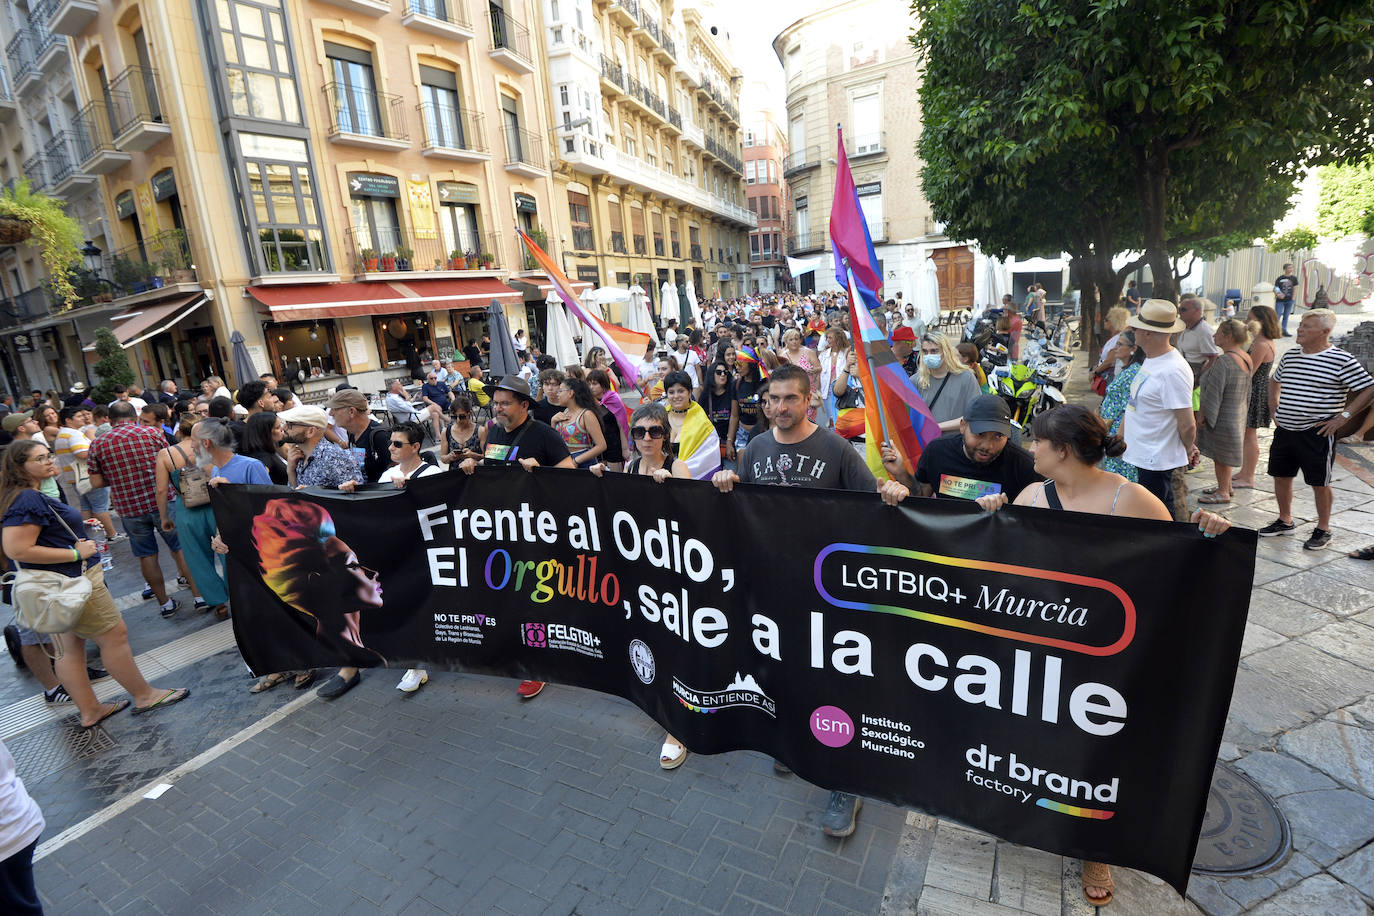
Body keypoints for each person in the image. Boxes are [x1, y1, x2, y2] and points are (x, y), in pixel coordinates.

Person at [972, 403, 1231, 908]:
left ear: (1062, 450)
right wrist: (992, 520)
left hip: (1108, 655)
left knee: (1097, 751)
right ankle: (1035, 813)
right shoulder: (1032, 495)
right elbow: (1009, 561)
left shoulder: (1130, 499)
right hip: (1044, 646)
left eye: (1037, 443)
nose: (1030, 450)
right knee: (1040, 738)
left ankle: (1096, 848)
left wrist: (1211, 532)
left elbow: (1178, 558)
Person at [713, 364, 908, 838]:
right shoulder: (755, 448)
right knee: (788, 672)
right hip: (777, 587)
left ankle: (846, 781)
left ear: (810, 401)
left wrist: (896, 488)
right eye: (772, 400)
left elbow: (876, 499)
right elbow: (746, 504)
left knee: (837, 683)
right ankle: (797, 745)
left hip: (831, 594)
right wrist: (727, 483)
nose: (779, 408)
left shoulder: (836, 448)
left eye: (789, 399)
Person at [1, 439, 190, 729]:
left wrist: (80, 531)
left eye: (48, 454)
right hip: (71, 580)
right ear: (19, 467)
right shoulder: (27, 498)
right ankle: (144, 695)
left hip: (56, 585)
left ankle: (90, 710)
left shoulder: (24, 495)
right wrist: (77, 552)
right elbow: (16, 549)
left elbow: (40, 536)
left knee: (69, 648)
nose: (49, 460)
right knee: (114, 636)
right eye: (40, 458)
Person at [458, 378, 575, 700]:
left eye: (505, 403)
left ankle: (540, 667)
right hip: (501, 531)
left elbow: (573, 479)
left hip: (538, 532)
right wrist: (475, 463)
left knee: (536, 599)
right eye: (495, 403)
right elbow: (495, 465)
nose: (497, 409)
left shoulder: (545, 435)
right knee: (509, 595)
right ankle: (518, 651)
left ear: (525, 405)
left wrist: (543, 473)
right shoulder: (494, 431)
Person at [1260, 309, 1374, 549]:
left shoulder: (1341, 360)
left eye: (1307, 326)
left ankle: (1323, 528)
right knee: (1281, 476)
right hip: (1286, 430)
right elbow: (1274, 380)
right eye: (1301, 324)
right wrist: (1274, 408)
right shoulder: (1291, 355)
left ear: (1325, 332)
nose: (1300, 329)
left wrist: (1343, 417)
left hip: (1317, 433)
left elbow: (1369, 388)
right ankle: (1284, 520)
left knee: (1319, 482)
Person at [276, 404, 368, 697]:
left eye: (292, 426)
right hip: (315, 545)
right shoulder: (302, 457)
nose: (286, 430)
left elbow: (354, 499)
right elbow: (296, 498)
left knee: (340, 606)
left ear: (312, 430)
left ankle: (350, 666)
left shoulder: (334, 457)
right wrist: (291, 471)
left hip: (336, 545)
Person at [87, 402, 199, 617]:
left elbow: (96, 482)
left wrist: (118, 477)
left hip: (129, 508)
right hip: (164, 501)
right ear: (135, 416)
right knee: (180, 548)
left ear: (110, 420)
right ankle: (198, 595)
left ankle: (165, 604)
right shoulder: (152, 433)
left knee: (146, 555)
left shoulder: (98, 443)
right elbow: (170, 462)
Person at [380, 421, 443, 695]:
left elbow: (443, 510)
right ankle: (416, 664)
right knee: (407, 605)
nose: (390, 447)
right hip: (401, 551)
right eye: (391, 442)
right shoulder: (386, 475)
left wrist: (409, 491)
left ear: (416, 447)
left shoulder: (433, 473)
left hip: (430, 550)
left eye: (397, 443)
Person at [1120, 300, 1198, 516]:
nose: (1132, 330)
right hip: (1144, 455)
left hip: (1157, 461)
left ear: (1148, 333)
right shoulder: (1153, 359)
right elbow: (1135, 403)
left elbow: (1187, 423)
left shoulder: (1173, 370)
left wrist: (1189, 448)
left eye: (1136, 327)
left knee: (1159, 515)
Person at [883, 395, 1040, 501]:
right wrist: (901, 473)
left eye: (998, 436)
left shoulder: (1024, 466)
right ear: (963, 426)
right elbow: (921, 496)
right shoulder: (937, 452)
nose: (987, 446)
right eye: (980, 434)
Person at [1196, 319, 1254, 505]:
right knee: (1225, 455)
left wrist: (1203, 416)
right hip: (1237, 413)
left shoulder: (1224, 360)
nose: (1214, 336)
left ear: (1228, 336)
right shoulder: (1245, 356)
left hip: (1222, 415)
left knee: (1221, 457)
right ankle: (1226, 486)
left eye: (1218, 332)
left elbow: (1213, 392)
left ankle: (1222, 492)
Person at [53, 407, 118, 541]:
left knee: (85, 507)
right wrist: (98, 452)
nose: (83, 418)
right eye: (78, 416)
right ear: (68, 420)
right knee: (100, 506)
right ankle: (112, 535)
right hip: (88, 476)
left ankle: (92, 537)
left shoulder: (62, 434)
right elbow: (81, 453)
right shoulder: (74, 434)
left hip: (74, 478)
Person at [1235, 305, 1281, 489]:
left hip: (1255, 391)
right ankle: (1245, 472)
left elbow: (1249, 371)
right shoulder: (1260, 341)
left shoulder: (1262, 344)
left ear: (1261, 321)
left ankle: (1248, 476)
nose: (1247, 322)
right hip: (1254, 390)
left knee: (1250, 434)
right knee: (1247, 434)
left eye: (1250, 318)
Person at [1097, 331, 1143, 482]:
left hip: (1120, 431)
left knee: (1119, 475)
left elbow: (1130, 407)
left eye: (1120, 344)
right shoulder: (1126, 370)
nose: (1115, 348)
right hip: (1113, 429)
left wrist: (1119, 437)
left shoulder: (1133, 373)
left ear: (1133, 348)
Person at [913, 333, 982, 432]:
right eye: (925, 351)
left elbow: (975, 414)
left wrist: (937, 427)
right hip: (926, 443)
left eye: (934, 351)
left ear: (946, 351)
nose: (929, 355)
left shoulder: (966, 378)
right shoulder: (916, 380)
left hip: (954, 442)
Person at [328, 388, 397, 484]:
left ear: (351, 411)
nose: (331, 414)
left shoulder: (380, 436)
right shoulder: (351, 433)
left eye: (335, 409)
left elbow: (397, 473)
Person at [551, 377, 608, 468]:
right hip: (565, 462)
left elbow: (601, 445)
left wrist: (576, 461)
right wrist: (553, 422)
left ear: (571, 393)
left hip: (585, 465)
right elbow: (554, 442)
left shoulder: (586, 415)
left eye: (560, 391)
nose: (558, 394)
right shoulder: (564, 412)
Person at [1177, 294, 1221, 389]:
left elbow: (1213, 358)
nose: (1179, 312)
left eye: (1183, 309)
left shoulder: (1204, 331)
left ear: (1197, 310)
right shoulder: (1186, 327)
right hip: (1184, 371)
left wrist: (1198, 379)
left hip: (1194, 374)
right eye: (1179, 309)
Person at [587, 369, 628, 471]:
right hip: (599, 446)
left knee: (616, 478)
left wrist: (625, 449)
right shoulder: (591, 401)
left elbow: (622, 425)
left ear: (603, 384)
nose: (591, 387)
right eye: (589, 384)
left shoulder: (614, 399)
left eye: (595, 384)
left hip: (615, 444)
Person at [241, 411, 289, 485]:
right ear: (266, 432)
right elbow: (258, 484)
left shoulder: (266, 452)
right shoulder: (262, 456)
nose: (282, 429)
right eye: (277, 427)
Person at [439, 394, 487, 467]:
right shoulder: (446, 432)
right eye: (454, 417)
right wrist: (450, 457)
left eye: (462, 417)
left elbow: (487, 457)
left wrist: (472, 455)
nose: (458, 420)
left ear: (470, 414)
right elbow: (443, 458)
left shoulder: (480, 431)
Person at [1274, 262, 1299, 337]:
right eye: (1289, 268)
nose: (1291, 269)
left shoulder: (1294, 278)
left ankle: (1284, 330)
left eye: (1292, 268)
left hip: (1289, 300)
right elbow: (1276, 288)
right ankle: (1275, 331)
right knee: (1277, 316)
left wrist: (1293, 298)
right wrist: (1278, 294)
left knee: (1286, 316)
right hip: (1280, 301)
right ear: (1285, 269)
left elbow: (1295, 288)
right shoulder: (1280, 278)